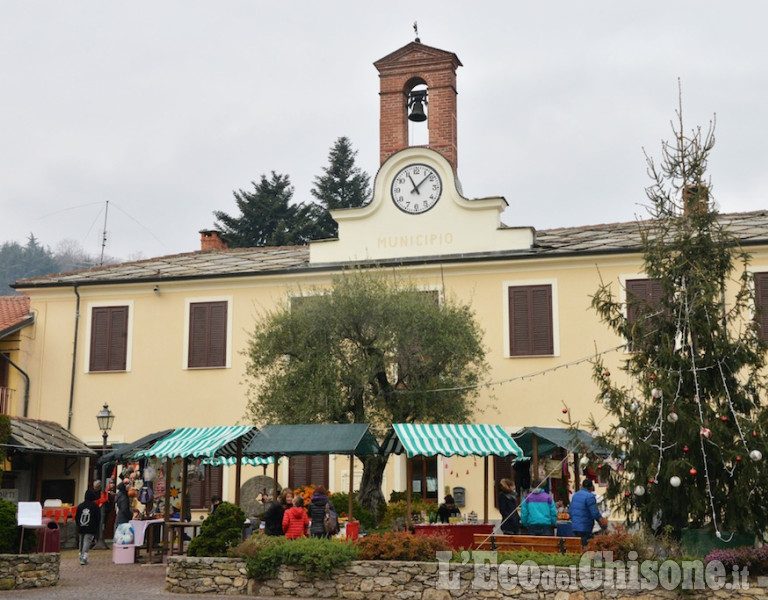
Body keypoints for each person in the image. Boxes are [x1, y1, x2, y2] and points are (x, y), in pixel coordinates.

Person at [570, 479, 608, 547]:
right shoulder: (590, 496)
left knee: (578, 547)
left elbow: (571, 511)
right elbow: (595, 513)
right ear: (591, 487)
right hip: (585, 527)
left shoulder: (575, 495)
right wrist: (603, 525)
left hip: (575, 527)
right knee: (586, 547)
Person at [76, 489, 101, 565]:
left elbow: (77, 517)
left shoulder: (80, 506)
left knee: (81, 541)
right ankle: (84, 556)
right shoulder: (95, 506)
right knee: (87, 541)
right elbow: (98, 517)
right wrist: (96, 527)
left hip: (81, 527)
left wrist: (78, 525)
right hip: (91, 527)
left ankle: (80, 554)